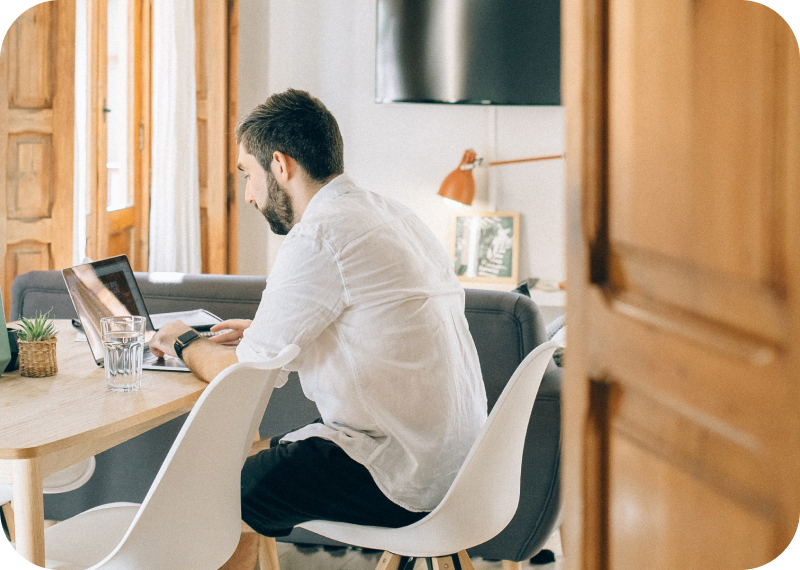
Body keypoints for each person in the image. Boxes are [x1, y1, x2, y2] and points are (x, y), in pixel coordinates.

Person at [150, 88, 487, 569]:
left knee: (212, 490)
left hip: (401, 475)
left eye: (248, 173)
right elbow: (365, 322)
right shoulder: (393, 215)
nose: (248, 194)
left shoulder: (319, 235)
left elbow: (241, 376)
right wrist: (267, 329)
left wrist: (181, 339)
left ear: (280, 166)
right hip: (465, 468)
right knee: (255, 459)